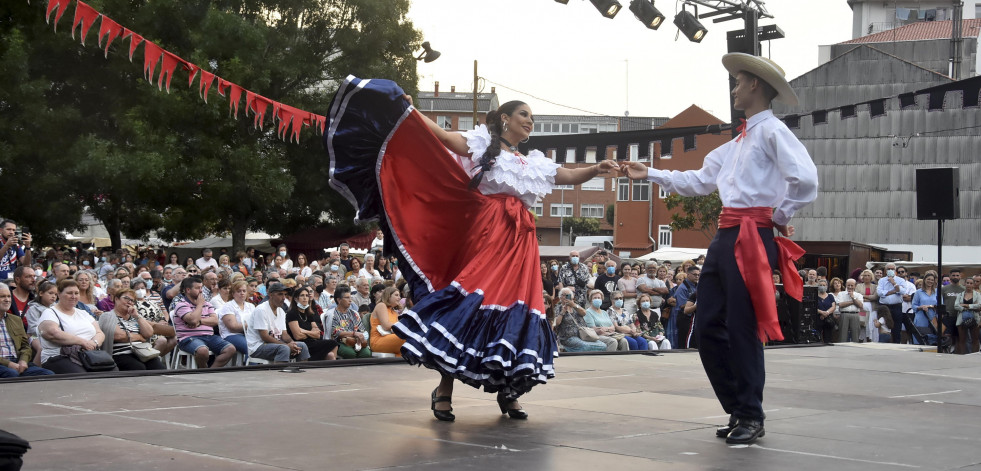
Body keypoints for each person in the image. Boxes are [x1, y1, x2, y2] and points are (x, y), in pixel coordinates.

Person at [327, 77, 618, 422]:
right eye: (523, 114)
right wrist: (413, 112)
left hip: (521, 244)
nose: (529, 121)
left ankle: (510, 393)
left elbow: (568, 176)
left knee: (518, 313)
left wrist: (596, 169)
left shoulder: (534, 163)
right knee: (468, 308)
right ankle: (444, 390)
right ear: (505, 119)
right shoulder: (483, 144)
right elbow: (447, 138)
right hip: (486, 236)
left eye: (532, 118)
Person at [620, 53, 818, 444]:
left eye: (739, 81)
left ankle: (750, 413)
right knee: (707, 327)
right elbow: (699, 180)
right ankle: (738, 407)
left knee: (742, 327)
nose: (734, 88)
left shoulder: (772, 131)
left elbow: (806, 179)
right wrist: (652, 172)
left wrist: (779, 214)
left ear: (756, 86)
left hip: (751, 233)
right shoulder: (739, 140)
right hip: (727, 236)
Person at [37, 280, 111, 374]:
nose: (74, 296)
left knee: (112, 373)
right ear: (59, 294)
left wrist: (94, 343)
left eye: (76, 293)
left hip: (88, 355)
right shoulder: (50, 313)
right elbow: (52, 333)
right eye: (69, 293)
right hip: (60, 357)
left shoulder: (83, 313)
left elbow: (99, 333)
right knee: (82, 377)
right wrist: (83, 342)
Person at [172, 276, 237, 368]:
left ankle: (210, 371)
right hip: (189, 338)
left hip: (209, 337)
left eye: (201, 287)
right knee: (202, 351)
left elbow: (215, 321)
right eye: (197, 288)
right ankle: (203, 369)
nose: (201, 291)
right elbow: (193, 320)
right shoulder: (181, 305)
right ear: (188, 290)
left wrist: (200, 322)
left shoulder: (207, 304)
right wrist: (199, 305)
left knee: (230, 349)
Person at [247, 282, 310, 363]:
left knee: (302, 346)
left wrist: (292, 343)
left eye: (285, 294)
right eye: (280, 294)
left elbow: (284, 334)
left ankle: (301, 373)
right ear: (270, 295)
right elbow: (264, 337)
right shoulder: (261, 310)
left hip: (275, 344)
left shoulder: (281, 310)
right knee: (284, 348)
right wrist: (286, 345)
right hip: (257, 347)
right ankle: (279, 374)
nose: (284, 298)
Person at [105, 288, 166, 370]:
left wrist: (137, 316)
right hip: (120, 353)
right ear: (116, 299)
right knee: (138, 368)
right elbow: (119, 336)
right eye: (126, 298)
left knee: (159, 367)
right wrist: (140, 337)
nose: (129, 302)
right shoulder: (108, 316)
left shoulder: (134, 317)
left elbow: (148, 333)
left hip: (142, 352)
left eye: (132, 300)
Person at [0, 284, 53, 377]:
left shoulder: (15, 319)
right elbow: (33, 334)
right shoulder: (33, 309)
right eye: (2, 297)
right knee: (12, 374)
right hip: (3, 364)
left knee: (48, 374)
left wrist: (23, 360)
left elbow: (25, 345)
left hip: (18, 362)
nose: (7, 300)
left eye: (8, 296)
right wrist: (8, 364)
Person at [286, 287, 338, 361]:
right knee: (332, 344)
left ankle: (328, 361)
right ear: (296, 298)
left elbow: (317, 334)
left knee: (333, 344)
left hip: (312, 342)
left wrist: (304, 331)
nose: (305, 298)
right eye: (302, 295)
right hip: (302, 344)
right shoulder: (292, 313)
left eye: (307, 296)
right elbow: (297, 336)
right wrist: (311, 333)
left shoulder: (309, 314)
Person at [553, 287, 608, 353]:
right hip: (568, 338)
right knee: (585, 346)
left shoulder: (576, 306)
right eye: (563, 295)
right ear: (560, 297)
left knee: (603, 345)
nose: (565, 297)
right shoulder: (558, 308)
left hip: (583, 335)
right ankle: (569, 350)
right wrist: (562, 312)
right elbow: (556, 323)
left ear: (572, 297)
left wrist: (573, 305)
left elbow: (584, 313)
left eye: (568, 295)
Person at [324, 284, 371, 359]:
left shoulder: (354, 313)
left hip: (356, 341)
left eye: (350, 297)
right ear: (339, 300)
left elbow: (362, 329)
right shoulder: (331, 314)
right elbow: (335, 332)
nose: (350, 300)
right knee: (350, 353)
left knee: (366, 353)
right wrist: (354, 333)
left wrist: (361, 336)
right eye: (347, 298)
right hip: (339, 342)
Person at [217, 280, 252, 358]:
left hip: (248, 334)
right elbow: (233, 327)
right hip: (231, 335)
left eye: (244, 291)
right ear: (233, 294)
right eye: (238, 291)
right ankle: (250, 368)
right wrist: (250, 324)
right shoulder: (228, 306)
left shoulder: (251, 306)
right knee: (250, 347)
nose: (242, 293)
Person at [369, 286, 405, 356]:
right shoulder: (381, 305)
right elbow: (386, 326)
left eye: (399, 296)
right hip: (379, 340)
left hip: (391, 337)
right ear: (388, 296)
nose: (399, 298)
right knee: (406, 337)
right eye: (396, 295)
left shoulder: (395, 312)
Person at [911, 270, 940, 346]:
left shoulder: (937, 292)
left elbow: (941, 305)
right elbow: (914, 306)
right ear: (924, 280)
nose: (930, 281)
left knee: (932, 338)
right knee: (920, 338)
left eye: (932, 280)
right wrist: (921, 307)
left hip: (933, 317)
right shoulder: (918, 292)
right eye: (928, 279)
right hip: (921, 317)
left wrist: (931, 306)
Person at [953, 277, 980, 354]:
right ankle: (963, 355)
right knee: (962, 339)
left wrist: (966, 306)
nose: (969, 285)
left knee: (975, 339)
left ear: (974, 284)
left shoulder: (978, 295)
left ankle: (975, 355)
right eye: (967, 283)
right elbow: (956, 306)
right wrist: (970, 307)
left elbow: (979, 305)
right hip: (962, 318)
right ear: (964, 284)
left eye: (971, 283)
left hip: (974, 318)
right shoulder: (960, 295)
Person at [836, 279, 864, 343]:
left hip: (855, 314)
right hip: (844, 314)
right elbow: (840, 304)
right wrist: (853, 302)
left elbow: (860, 305)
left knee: (855, 334)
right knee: (842, 334)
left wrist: (853, 297)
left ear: (855, 286)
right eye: (848, 285)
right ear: (846, 285)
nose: (850, 287)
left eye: (852, 285)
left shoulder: (859, 295)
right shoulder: (841, 294)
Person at [815, 279, 838, 343]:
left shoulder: (830, 296)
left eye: (824, 285)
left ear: (827, 286)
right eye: (820, 285)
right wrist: (821, 312)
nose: (822, 286)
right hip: (818, 318)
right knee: (817, 336)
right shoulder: (815, 296)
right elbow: (813, 307)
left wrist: (826, 313)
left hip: (828, 319)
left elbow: (833, 306)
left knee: (828, 337)